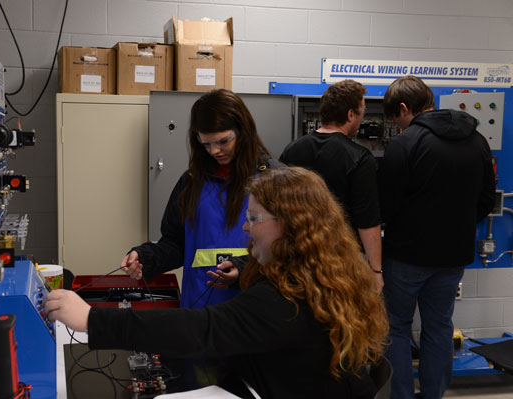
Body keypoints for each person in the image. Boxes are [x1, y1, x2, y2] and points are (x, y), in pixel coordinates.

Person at [46, 167, 389, 399]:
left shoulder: (288, 299)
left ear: (290, 225)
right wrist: (242, 267)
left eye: (253, 218)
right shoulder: (319, 270)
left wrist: (92, 319)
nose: (244, 227)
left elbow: (203, 328)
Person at [379, 76, 496, 399]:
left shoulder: (405, 143)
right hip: (453, 256)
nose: (396, 124)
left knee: (397, 328)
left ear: (404, 109)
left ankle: (401, 395)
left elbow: (385, 205)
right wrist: (458, 226)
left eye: (395, 117)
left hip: (405, 256)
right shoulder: (477, 140)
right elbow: (487, 199)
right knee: (439, 327)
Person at [121, 89, 281, 308]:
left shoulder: (276, 180)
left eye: (223, 141)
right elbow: (176, 244)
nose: (215, 151)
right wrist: (145, 257)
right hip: (200, 310)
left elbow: (292, 250)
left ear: (243, 132)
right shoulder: (191, 181)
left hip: (256, 310)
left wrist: (243, 269)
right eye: (206, 144)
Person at [279, 79, 383, 292]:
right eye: (361, 113)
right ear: (350, 114)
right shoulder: (360, 158)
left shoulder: (292, 150)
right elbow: (368, 221)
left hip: (297, 257)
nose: (361, 119)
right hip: (340, 261)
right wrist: (376, 271)